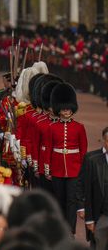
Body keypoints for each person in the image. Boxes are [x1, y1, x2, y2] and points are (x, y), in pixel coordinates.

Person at [43, 82, 87, 232]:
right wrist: (47, 169)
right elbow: (48, 148)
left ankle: (70, 231)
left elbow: (83, 149)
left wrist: (82, 169)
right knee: (60, 200)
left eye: (68, 108)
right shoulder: (52, 127)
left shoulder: (79, 127)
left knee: (71, 201)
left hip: (74, 169)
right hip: (57, 168)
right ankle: (61, 229)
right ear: (58, 109)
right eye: (63, 108)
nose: (66, 111)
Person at [80, 126, 108, 249]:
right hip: (101, 216)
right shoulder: (92, 160)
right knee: (99, 244)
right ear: (104, 141)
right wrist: (89, 220)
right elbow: (85, 188)